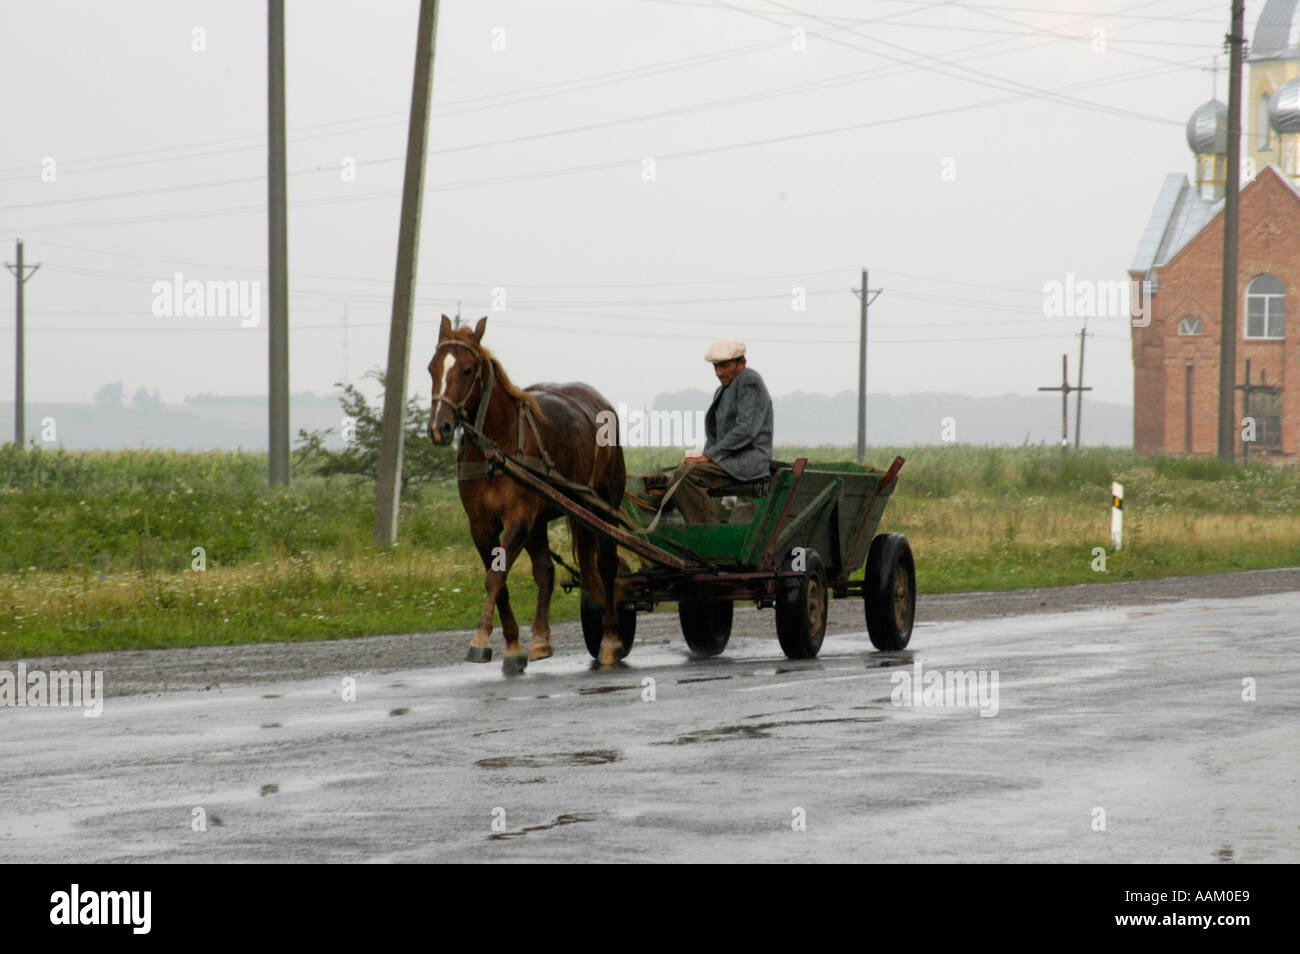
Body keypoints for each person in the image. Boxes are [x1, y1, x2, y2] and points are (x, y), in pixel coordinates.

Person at [667, 338, 774, 524]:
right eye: (716, 367)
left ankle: (708, 534)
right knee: (681, 474)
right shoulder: (722, 390)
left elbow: (746, 429)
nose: (719, 372)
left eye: (725, 366)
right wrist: (702, 457)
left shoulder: (749, 380)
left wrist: (708, 457)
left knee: (687, 475)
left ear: (742, 363)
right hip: (729, 461)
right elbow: (715, 436)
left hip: (748, 460)